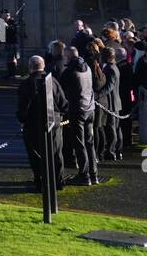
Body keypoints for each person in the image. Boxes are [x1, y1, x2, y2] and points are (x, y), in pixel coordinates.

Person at [17, 55, 66, 192]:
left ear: (30, 67)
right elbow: (63, 103)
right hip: (54, 121)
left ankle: (40, 181)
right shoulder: (53, 81)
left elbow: (23, 107)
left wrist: (22, 119)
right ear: (43, 66)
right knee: (56, 152)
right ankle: (58, 181)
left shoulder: (26, 84)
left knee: (36, 155)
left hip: (33, 124)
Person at [59, 49, 98, 185]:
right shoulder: (87, 68)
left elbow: (60, 89)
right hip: (90, 107)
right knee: (89, 143)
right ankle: (93, 174)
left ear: (68, 57)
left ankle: (84, 175)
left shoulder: (69, 71)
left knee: (79, 144)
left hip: (77, 109)